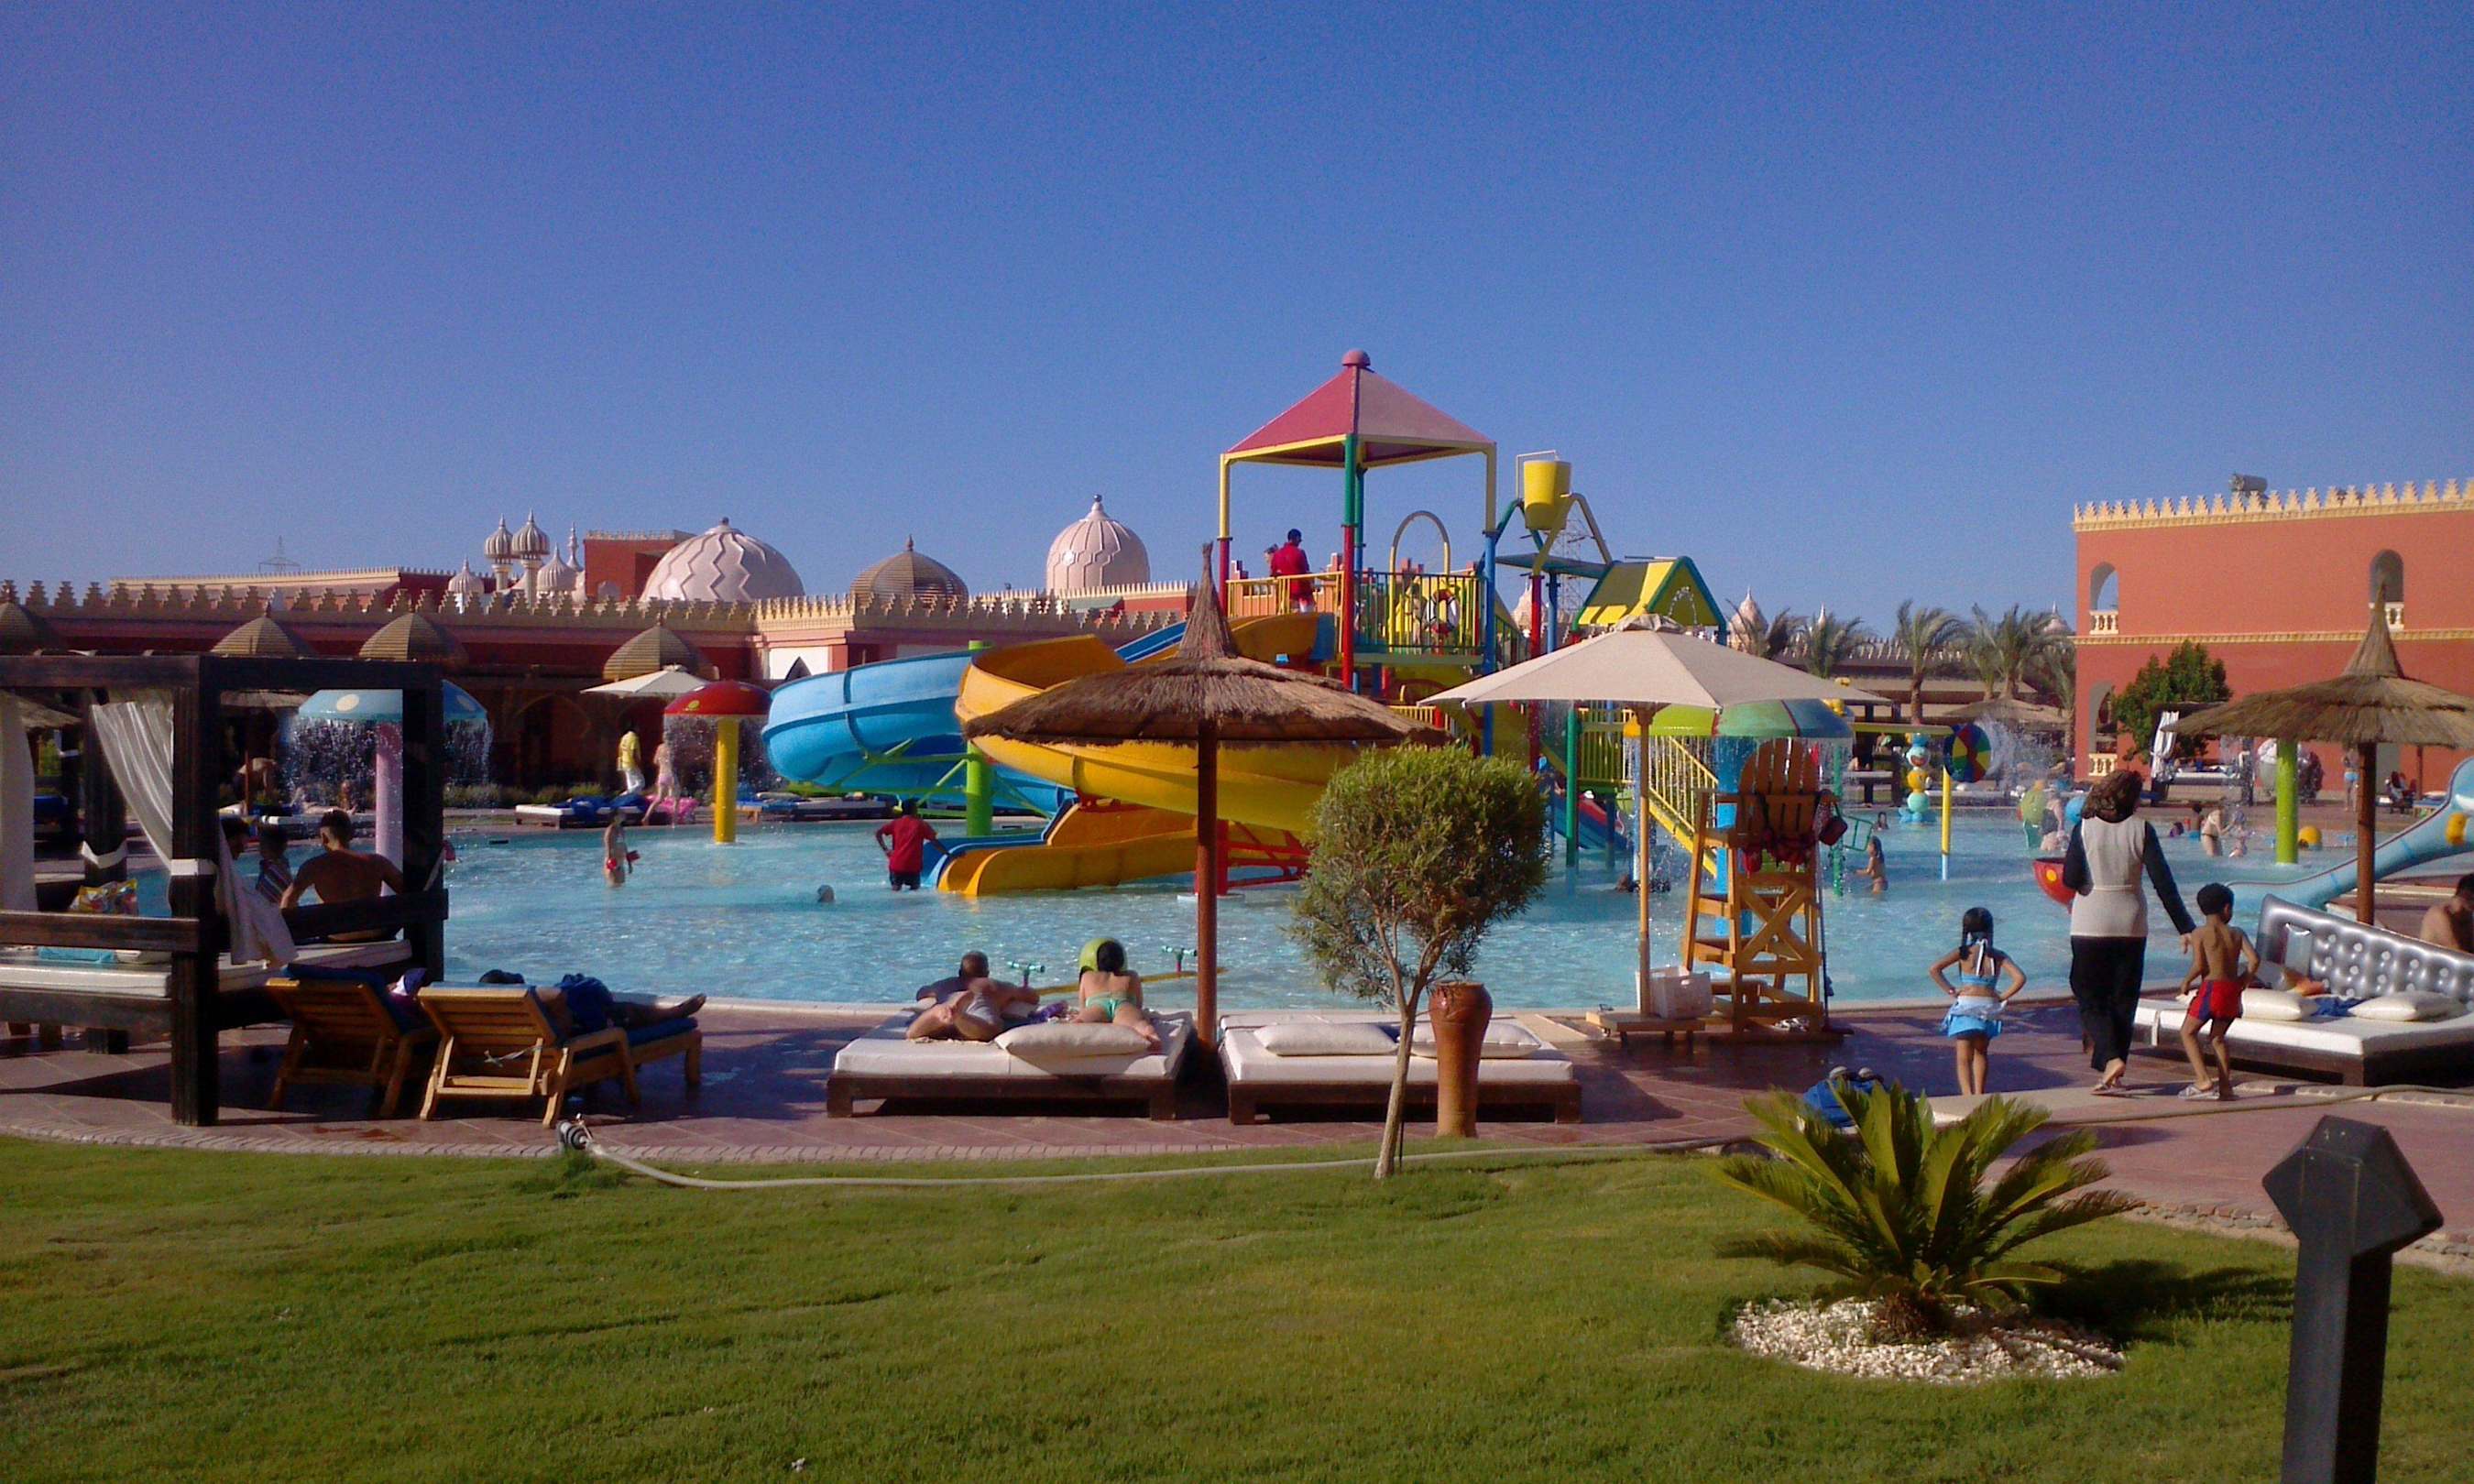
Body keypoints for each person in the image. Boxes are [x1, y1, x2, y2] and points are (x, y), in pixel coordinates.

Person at [2062, 768, 2196, 1096]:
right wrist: (2185, 927)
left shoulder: (2084, 829)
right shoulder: (2142, 829)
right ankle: (2113, 1069)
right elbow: (2163, 882)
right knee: (2123, 998)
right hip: (2131, 921)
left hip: (2091, 919)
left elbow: (2070, 879)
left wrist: (2086, 882)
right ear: (2132, 798)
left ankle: (2110, 1060)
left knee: (2088, 994)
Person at [1928, 906, 2025, 1097]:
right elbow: (2020, 978)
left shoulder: (1964, 952)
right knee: (1981, 1052)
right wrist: (2002, 997)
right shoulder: (1997, 955)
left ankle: (1967, 1095)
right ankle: (1980, 1093)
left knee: (1963, 1057)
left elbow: (1934, 969)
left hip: (1967, 1006)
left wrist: (1951, 990)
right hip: (1988, 1008)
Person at [2177, 883, 2260, 1101]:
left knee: (2187, 1032)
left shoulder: (2200, 933)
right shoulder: (2237, 933)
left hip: (2212, 989)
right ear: (2227, 908)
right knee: (2218, 1038)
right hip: (2232, 991)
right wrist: (2243, 980)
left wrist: (2186, 981)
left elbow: (2200, 965)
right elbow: (2254, 960)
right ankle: (2226, 1088)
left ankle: (2203, 1080)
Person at [279, 810, 410, 936]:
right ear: (351, 834)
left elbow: (288, 900)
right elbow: (409, 892)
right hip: (377, 932)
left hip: (337, 935)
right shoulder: (378, 862)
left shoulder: (313, 867)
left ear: (323, 838)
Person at [906, 951, 1039, 1042]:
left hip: (945, 1006)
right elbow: (1032, 997)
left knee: (912, 1034)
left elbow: (920, 993)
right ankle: (960, 1016)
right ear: (987, 972)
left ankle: (938, 1011)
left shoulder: (944, 984)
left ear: (960, 972)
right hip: (976, 1013)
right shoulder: (993, 984)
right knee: (992, 1029)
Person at [1074, 936, 1158, 1050]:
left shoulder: (1087, 976)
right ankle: (1149, 1033)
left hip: (1097, 1005)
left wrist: (1082, 1015)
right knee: (1138, 1024)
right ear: (1122, 960)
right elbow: (1138, 1003)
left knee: (1079, 1023)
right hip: (1124, 1004)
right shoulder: (1132, 975)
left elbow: (1083, 1005)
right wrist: (1138, 1016)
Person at [875, 800, 936, 890]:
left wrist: (886, 850)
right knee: (915, 892)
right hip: (913, 866)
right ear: (914, 810)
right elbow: (934, 841)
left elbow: (878, 833)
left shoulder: (895, 823)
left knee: (896, 890)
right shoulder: (921, 824)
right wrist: (948, 854)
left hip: (896, 864)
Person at [2418, 873, 2474, 954]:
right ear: (2466, 894)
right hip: (2436, 960)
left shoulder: (2466, 914)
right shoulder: (2439, 914)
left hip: (2456, 960)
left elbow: (2469, 948)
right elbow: (2454, 951)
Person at [1267, 528, 1313, 610]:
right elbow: (1305, 570)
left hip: (1286, 592)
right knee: (1307, 615)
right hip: (1302, 592)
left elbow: (1273, 572)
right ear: (1297, 539)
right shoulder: (1299, 552)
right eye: (1299, 540)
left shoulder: (1278, 554)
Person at [253, 822, 293, 904]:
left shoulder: (273, 870)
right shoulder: (280, 865)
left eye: (261, 844)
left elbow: (264, 899)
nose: (259, 847)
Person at [648, 739, 682, 824]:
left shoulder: (660, 747)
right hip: (670, 775)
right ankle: (674, 821)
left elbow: (655, 761)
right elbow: (672, 763)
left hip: (661, 775)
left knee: (659, 799)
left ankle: (646, 817)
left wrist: (662, 762)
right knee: (676, 799)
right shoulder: (672, 748)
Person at [1849, 827, 1888, 896]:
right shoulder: (1880, 857)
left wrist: (1856, 872)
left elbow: (1868, 872)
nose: (1867, 849)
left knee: (1875, 899)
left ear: (1872, 847)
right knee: (1866, 891)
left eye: (1868, 846)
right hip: (1882, 881)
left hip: (1878, 882)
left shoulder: (1873, 858)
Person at [601, 815, 636, 887]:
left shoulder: (621, 829)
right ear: (615, 817)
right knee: (613, 885)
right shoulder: (610, 830)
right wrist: (610, 864)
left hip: (621, 863)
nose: (623, 816)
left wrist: (629, 863)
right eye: (620, 815)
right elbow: (608, 847)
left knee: (621, 885)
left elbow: (624, 846)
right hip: (613, 861)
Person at [617, 729, 645, 794]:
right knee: (641, 783)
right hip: (632, 764)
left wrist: (620, 762)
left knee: (631, 784)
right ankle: (626, 793)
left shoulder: (624, 737)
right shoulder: (633, 738)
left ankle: (632, 797)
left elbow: (620, 750)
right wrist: (639, 765)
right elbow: (633, 753)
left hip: (624, 763)